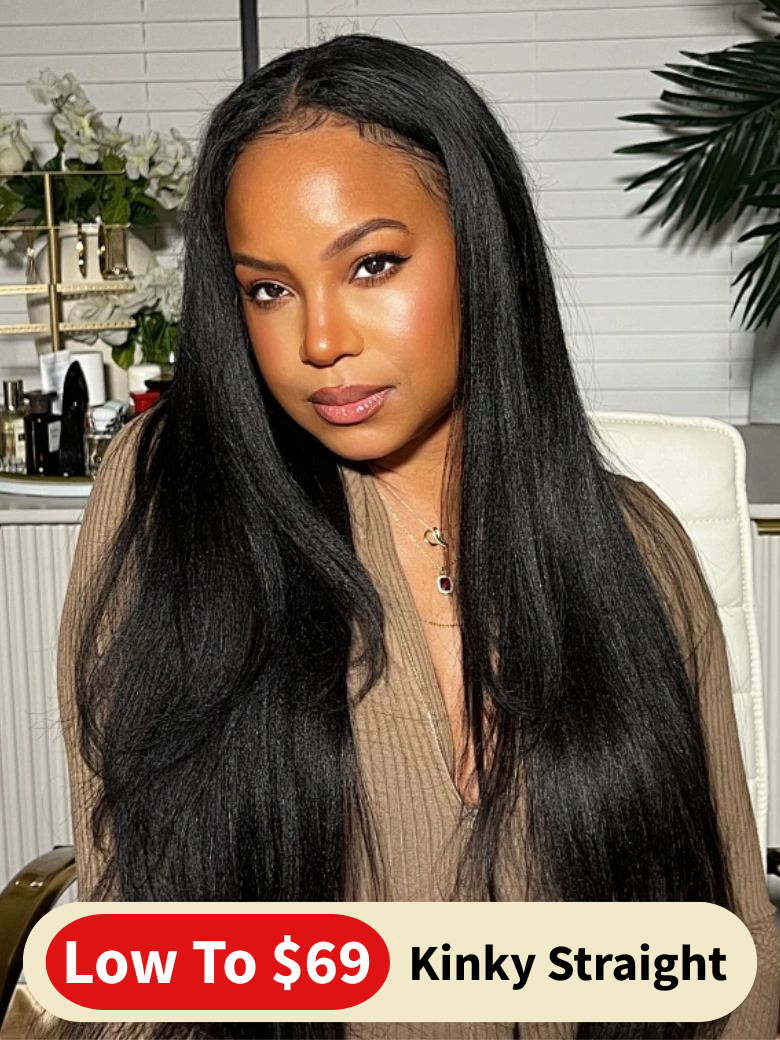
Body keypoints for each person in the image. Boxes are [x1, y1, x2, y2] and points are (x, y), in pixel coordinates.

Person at [11, 30, 780, 1040]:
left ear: (484, 249)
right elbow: (131, 924)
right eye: (269, 289)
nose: (320, 339)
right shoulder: (175, 499)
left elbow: (734, 935)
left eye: (372, 264)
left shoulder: (637, 547)